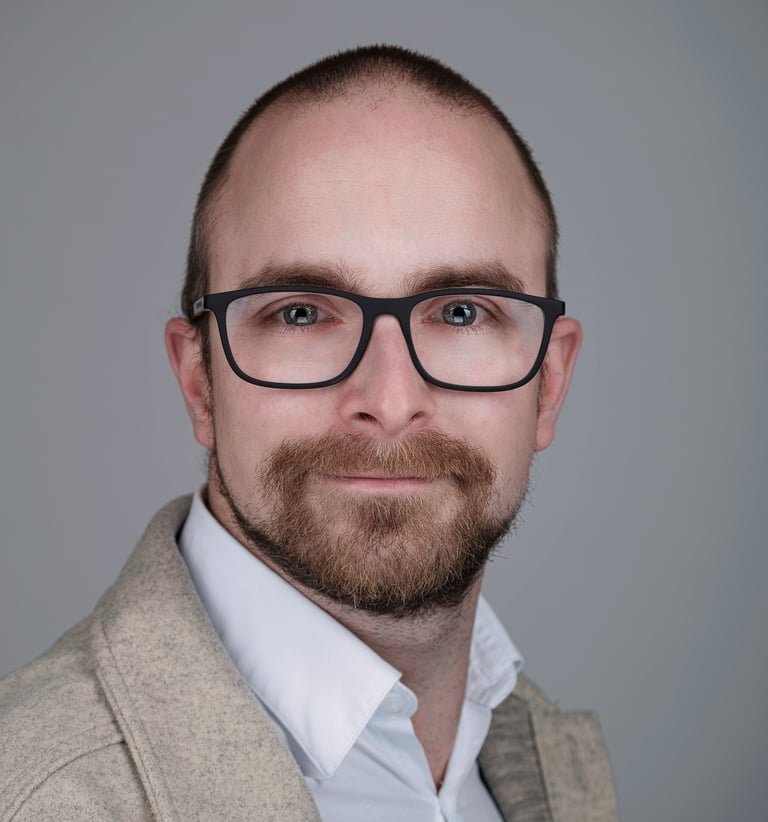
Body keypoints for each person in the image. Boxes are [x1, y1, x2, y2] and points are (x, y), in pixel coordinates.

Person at [0, 45, 618, 821]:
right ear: (199, 380)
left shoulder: (543, 766)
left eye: (461, 312)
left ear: (549, 384)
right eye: (300, 313)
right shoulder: (36, 794)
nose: (389, 401)